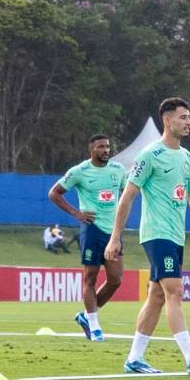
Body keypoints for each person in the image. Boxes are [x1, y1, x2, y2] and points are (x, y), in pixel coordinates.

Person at [104, 98, 190, 375]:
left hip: (175, 236)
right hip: (156, 234)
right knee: (175, 291)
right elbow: (127, 198)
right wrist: (115, 238)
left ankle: (134, 359)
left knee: (157, 296)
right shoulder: (149, 155)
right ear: (168, 121)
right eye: (183, 117)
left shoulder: (185, 158)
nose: (189, 121)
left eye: (189, 117)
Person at [48, 135, 127, 341]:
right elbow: (54, 193)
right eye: (101, 147)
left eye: (108, 147)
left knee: (116, 280)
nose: (106, 150)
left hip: (113, 232)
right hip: (91, 229)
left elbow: (128, 193)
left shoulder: (118, 170)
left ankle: (85, 316)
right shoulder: (79, 171)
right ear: (91, 149)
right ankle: (94, 326)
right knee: (90, 277)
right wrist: (76, 213)